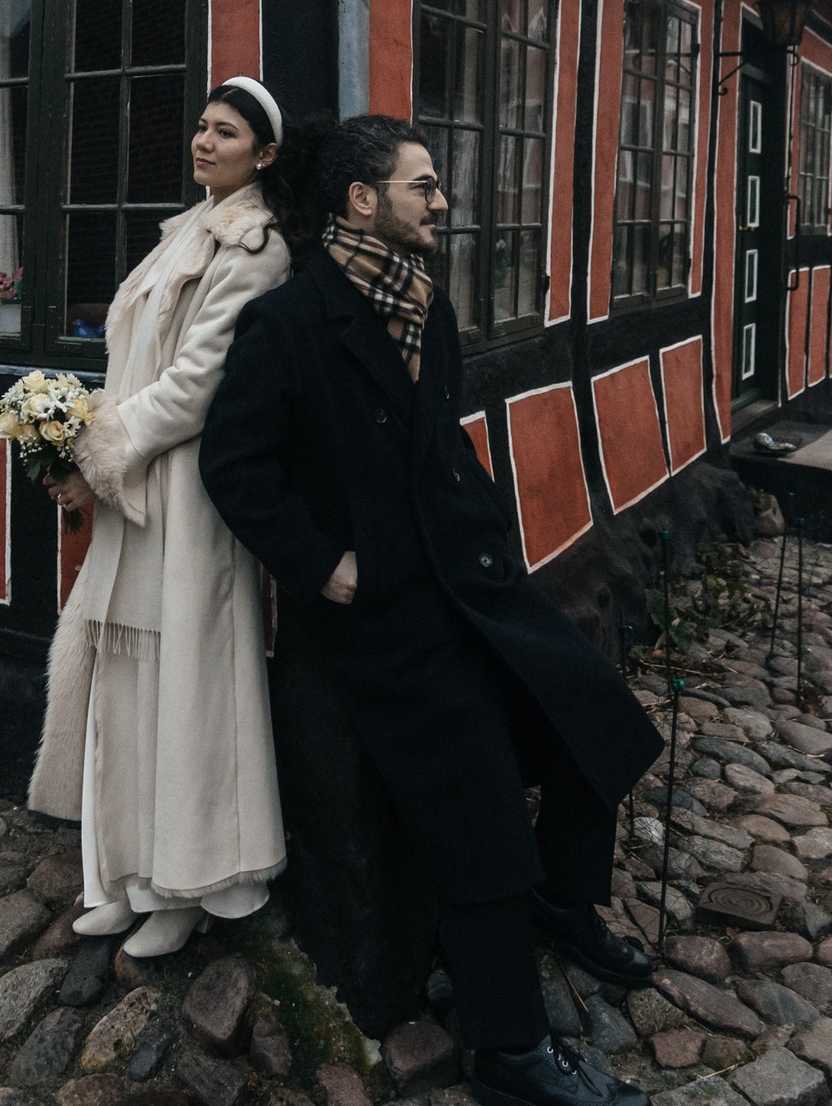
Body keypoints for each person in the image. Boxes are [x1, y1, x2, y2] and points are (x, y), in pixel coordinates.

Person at [200, 116, 661, 1106]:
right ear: (361, 201)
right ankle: (508, 1048)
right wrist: (324, 567)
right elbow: (232, 467)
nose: (441, 202)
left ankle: (563, 903)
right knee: (479, 805)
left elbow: (438, 445)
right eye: (424, 186)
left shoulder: (424, 307)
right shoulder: (288, 324)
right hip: (386, 614)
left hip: (475, 578)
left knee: (597, 720)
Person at [25, 78, 296, 959]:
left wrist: (99, 449)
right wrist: (80, 449)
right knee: (124, 678)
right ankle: (125, 875)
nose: (204, 142)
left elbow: (195, 385)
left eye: (226, 132)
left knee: (186, 682)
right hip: (132, 479)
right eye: (202, 128)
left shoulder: (254, 249)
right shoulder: (181, 233)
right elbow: (132, 362)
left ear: (264, 153)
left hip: (189, 489)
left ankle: (190, 884)